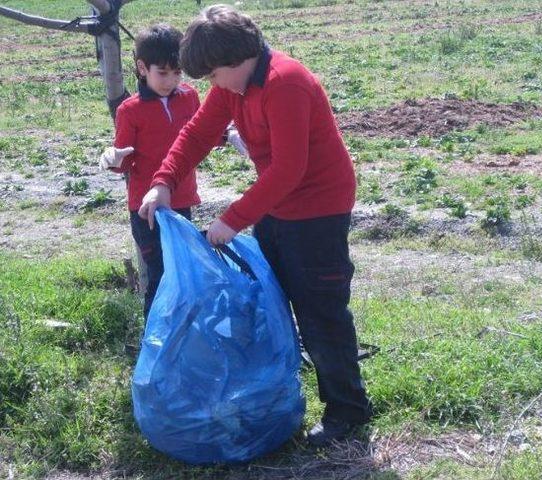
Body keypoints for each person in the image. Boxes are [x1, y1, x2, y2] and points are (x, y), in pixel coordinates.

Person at [137, 4, 373, 446]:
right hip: (278, 204)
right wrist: (163, 181)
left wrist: (232, 219)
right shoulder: (237, 86)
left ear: (235, 61)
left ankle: (349, 410)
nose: (211, 85)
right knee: (278, 299)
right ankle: (287, 383)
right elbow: (198, 132)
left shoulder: (285, 83)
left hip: (318, 207)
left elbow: (290, 170)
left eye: (212, 76)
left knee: (320, 310)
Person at [99, 24, 202, 319]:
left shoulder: (189, 97)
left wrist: (230, 135)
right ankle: (154, 343)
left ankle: (182, 336)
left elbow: (204, 137)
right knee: (160, 276)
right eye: (163, 73)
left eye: (177, 72)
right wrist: (111, 158)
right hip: (147, 209)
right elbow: (124, 163)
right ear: (142, 68)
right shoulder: (130, 110)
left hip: (181, 200)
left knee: (184, 274)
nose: (171, 80)